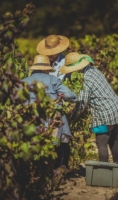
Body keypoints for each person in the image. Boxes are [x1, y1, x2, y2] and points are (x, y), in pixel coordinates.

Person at [59, 52, 118, 163]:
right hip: (116, 109)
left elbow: (82, 103)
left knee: (101, 143)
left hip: (105, 115)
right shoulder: (93, 70)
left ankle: (103, 173)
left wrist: (71, 118)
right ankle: (117, 172)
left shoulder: (86, 79)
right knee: (113, 141)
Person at [21, 55, 76, 169]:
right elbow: (71, 95)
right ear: (46, 69)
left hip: (31, 120)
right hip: (52, 120)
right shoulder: (53, 80)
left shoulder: (23, 82)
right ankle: (61, 167)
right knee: (63, 139)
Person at [36, 35, 72, 168]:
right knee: (51, 135)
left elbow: (60, 86)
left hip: (60, 102)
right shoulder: (44, 61)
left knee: (62, 135)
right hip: (47, 102)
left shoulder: (64, 63)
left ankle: (63, 166)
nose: (49, 55)